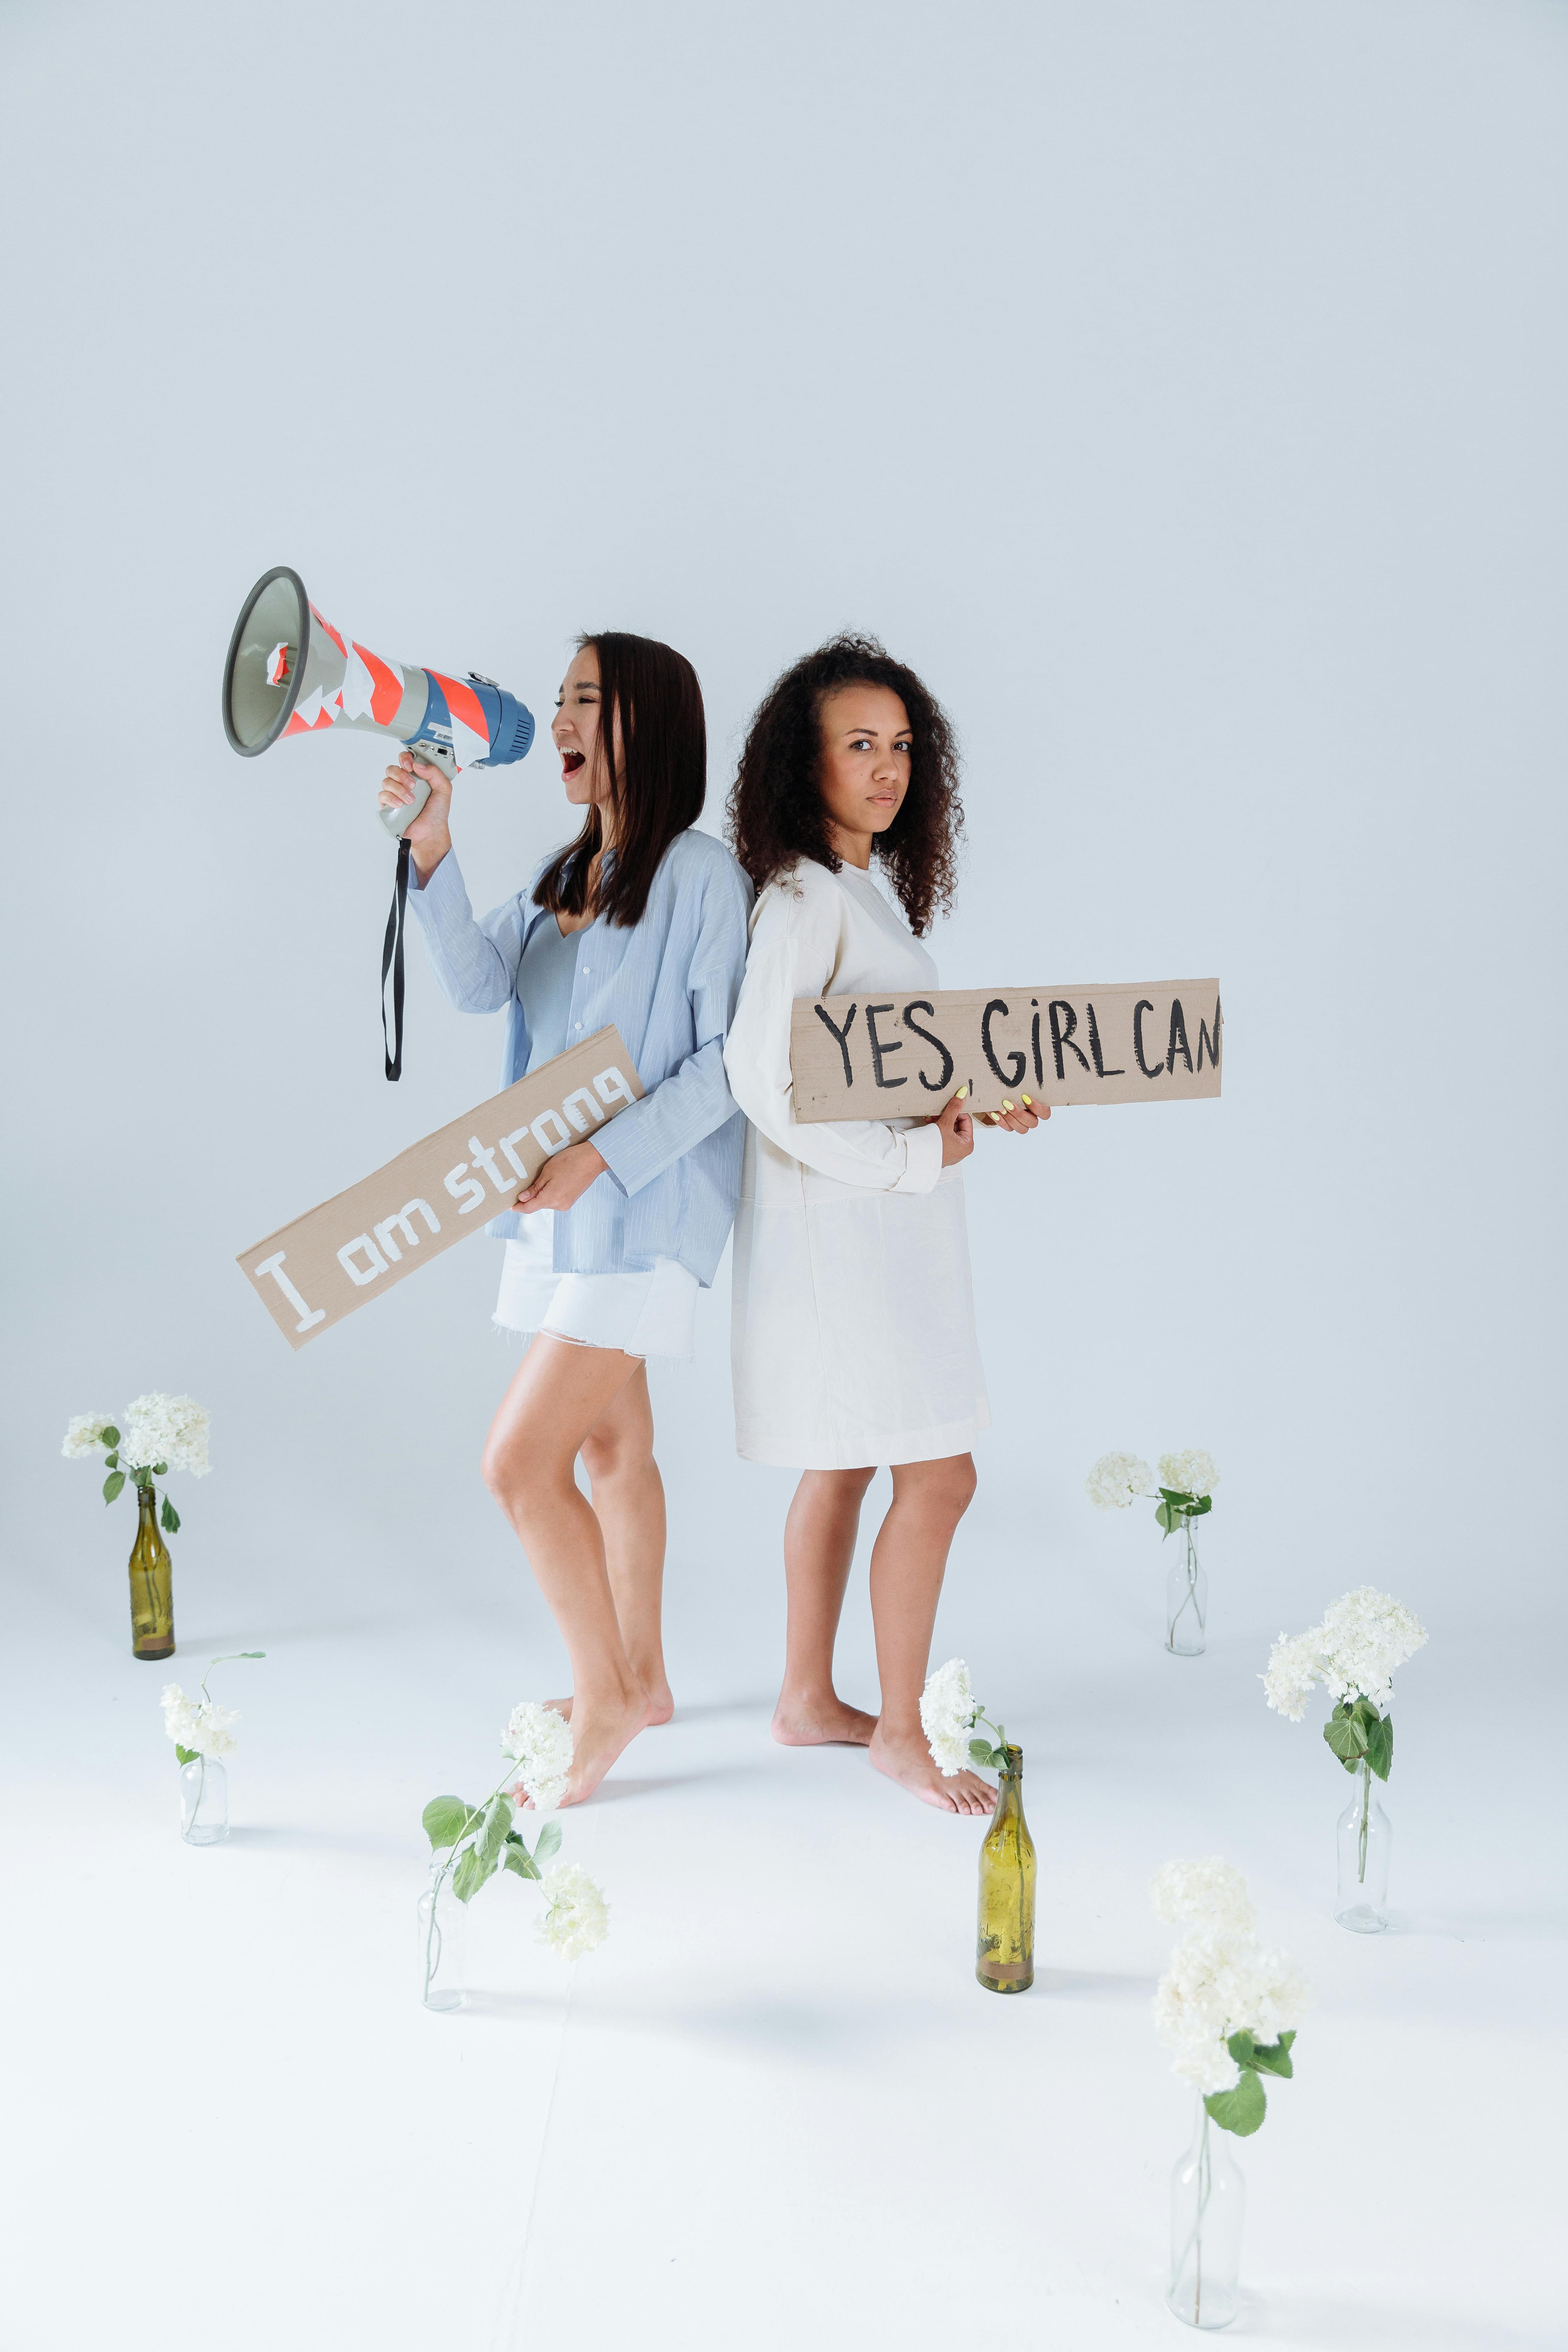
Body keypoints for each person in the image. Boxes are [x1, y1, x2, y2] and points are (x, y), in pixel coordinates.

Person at [379, 633, 752, 1805]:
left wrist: (605, 1153)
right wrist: (432, 849)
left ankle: (602, 1702)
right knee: (608, 1449)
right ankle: (641, 1676)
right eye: (559, 702)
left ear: (652, 722)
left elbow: (729, 1067)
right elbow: (481, 986)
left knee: (518, 1465)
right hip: (561, 1211)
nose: (562, 722)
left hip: (641, 1210)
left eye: (587, 700)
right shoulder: (563, 872)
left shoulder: (701, 878)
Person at [723, 635, 1045, 1814]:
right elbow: (765, 1079)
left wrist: (967, 1108)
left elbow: (864, 1071)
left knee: (847, 1464)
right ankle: (900, 1731)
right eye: (859, 744)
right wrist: (913, 1157)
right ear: (800, 764)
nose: (888, 767)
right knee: (941, 1474)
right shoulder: (806, 898)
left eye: (902, 746)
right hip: (849, 1239)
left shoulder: (864, 894)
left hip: (879, 1228)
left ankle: (809, 1698)